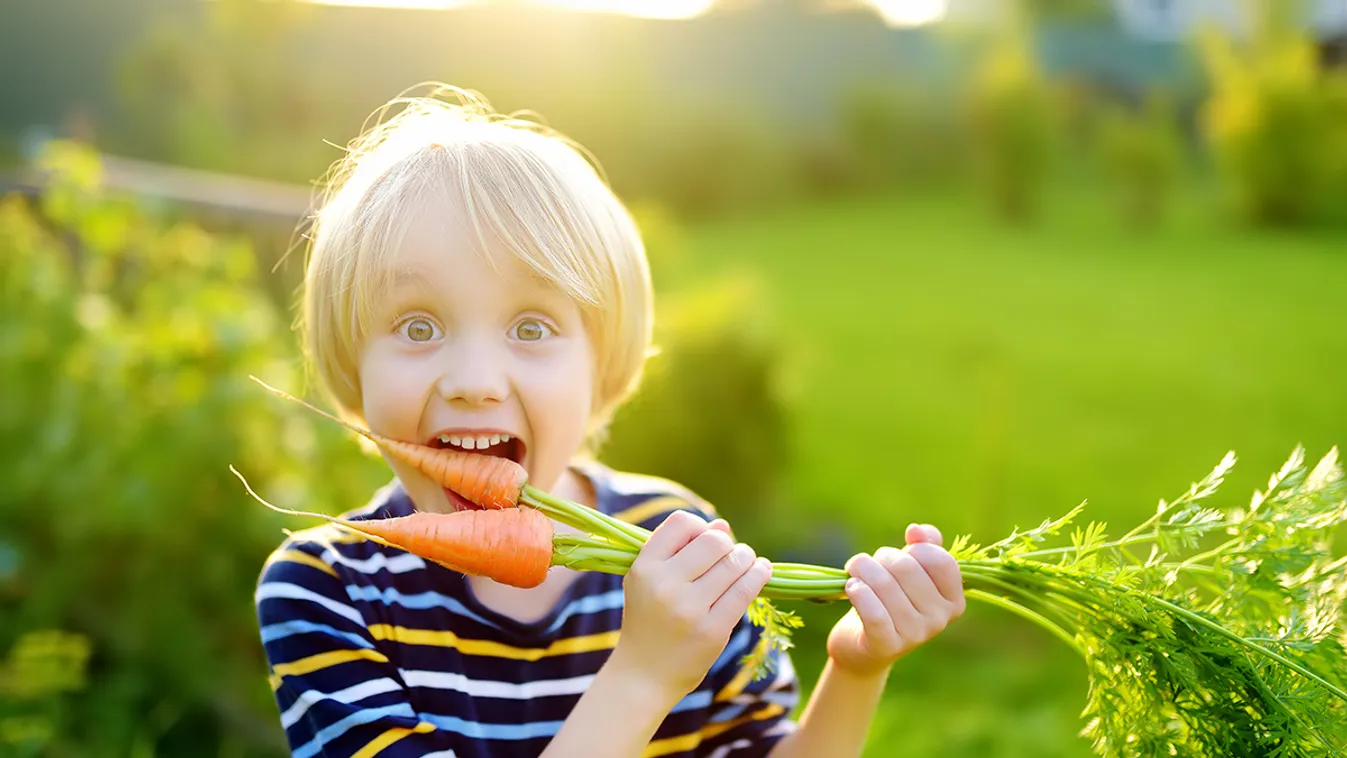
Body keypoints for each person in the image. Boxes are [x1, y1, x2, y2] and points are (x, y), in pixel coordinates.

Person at [254, 84, 966, 758]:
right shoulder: (325, 590)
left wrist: (857, 666)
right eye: (416, 325)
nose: (473, 383)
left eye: (531, 327)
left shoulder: (676, 536)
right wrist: (641, 678)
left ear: (603, 367)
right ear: (352, 362)